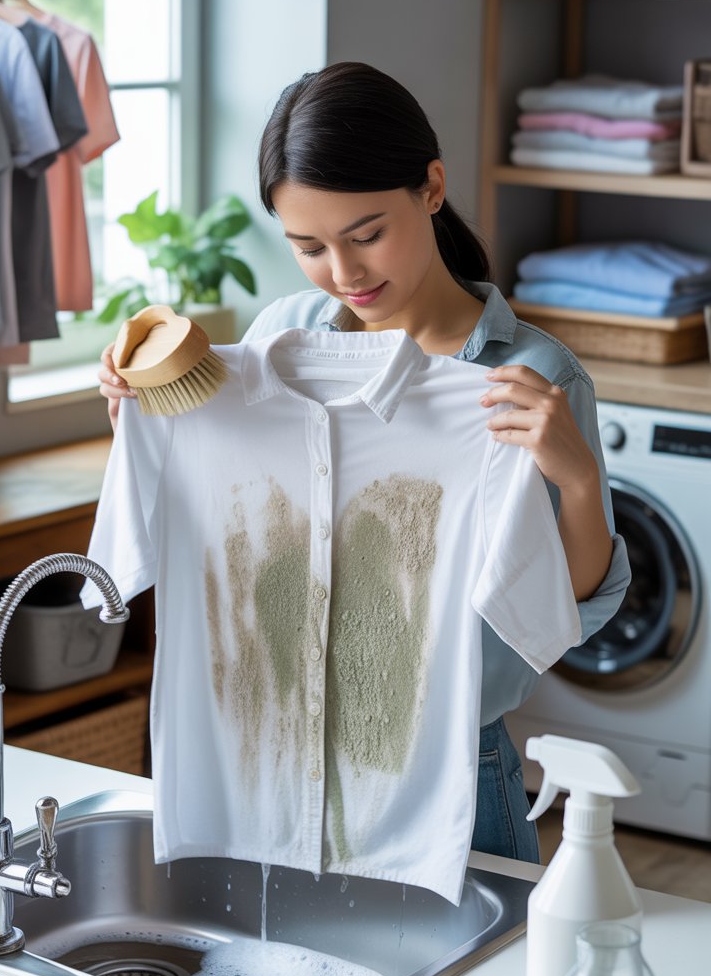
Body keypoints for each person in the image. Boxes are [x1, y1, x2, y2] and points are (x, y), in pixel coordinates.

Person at [98, 60, 629, 864]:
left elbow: (566, 615)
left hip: (449, 781)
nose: (344, 274)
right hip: (275, 773)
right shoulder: (282, 334)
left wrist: (579, 479)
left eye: (367, 234)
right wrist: (140, 413)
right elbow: (219, 513)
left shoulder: (531, 378)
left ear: (432, 188)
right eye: (308, 246)